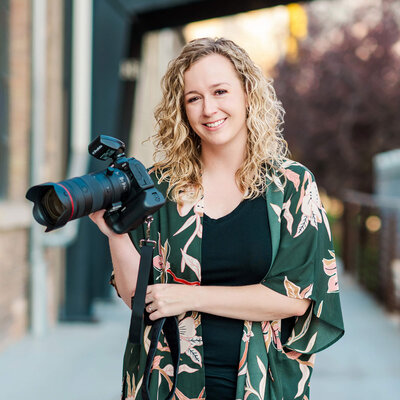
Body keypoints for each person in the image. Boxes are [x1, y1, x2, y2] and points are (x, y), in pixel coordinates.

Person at [90, 37, 344, 400]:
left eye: (220, 91)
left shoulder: (290, 185)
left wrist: (189, 297)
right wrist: (114, 233)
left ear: (247, 93)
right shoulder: (158, 187)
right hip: (170, 379)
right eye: (194, 98)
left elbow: (297, 297)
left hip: (261, 382)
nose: (209, 109)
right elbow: (138, 297)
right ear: (182, 110)